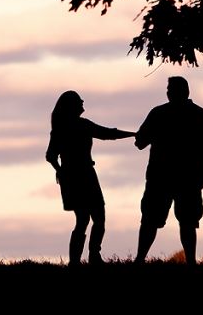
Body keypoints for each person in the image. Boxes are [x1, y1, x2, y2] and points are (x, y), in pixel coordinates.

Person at [134, 76, 203, 266]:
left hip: (163, 178)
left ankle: (140, 260)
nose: (168, 92)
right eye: (168, 89)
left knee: (155, 220)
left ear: (178, 92)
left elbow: (140, 142)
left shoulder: (159, 113)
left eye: (170, 89)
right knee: (185, 221)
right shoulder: (200, 115)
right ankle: (189, 262)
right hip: (187, 178)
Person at [46, 90, 136, 266]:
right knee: (96, 218)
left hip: (75, 176)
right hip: (83, 175)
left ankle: (80, 260)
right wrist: (133, 134)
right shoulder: (79, 126)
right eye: (79, 101)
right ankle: (90, 256)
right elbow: (107, 133)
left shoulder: (63, 128)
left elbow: (51, 156)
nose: (82, 103)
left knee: (85, 219)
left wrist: (61, 171)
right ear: (72, 106)